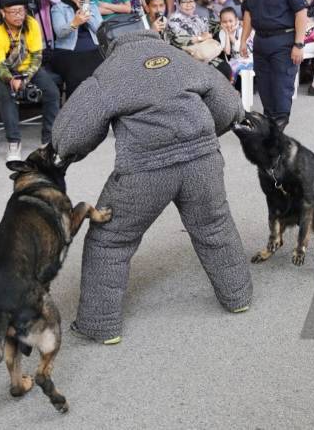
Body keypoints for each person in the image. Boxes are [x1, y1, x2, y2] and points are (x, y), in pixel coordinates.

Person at [52, 23, 253, 345]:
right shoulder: (181, 59)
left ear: (107, 45)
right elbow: (230, 108)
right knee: (215, 226)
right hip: (203, 162)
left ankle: (100, 325)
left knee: (110, 240)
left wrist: (66, 155)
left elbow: (71, 135)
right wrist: (200, 140)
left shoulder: (108, 73)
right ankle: (238, 297)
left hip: (144, 171)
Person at [239, 0, 309, 130]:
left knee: (281, 85)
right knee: (264, 85)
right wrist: (244, 40)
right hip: (261, 40)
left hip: (284, 41)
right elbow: (248, 12)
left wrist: (299, 44)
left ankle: (278, 127)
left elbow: (301, 12)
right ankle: (269, 121)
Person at [0, 0, 61, 161]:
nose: (19, 16)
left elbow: (37, 56)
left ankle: (48, 140)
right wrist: (12, 79)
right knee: (7, 98)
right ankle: (13, 142)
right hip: (5, 70)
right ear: (3, 12)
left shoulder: (31, 23)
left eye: (21, 11)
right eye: (13, 12)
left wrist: (25, 78)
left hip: (28, 68)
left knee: (52, 93)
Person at [50, 0, 105, 97]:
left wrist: (86, 12)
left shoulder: (91, 6)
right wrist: (75, 23)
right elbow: (60, 32)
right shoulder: (58, 8)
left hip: (94, 50)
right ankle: (76, 109)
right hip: (68, 52)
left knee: (105, 72)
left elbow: (100, 30)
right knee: (79, 74)